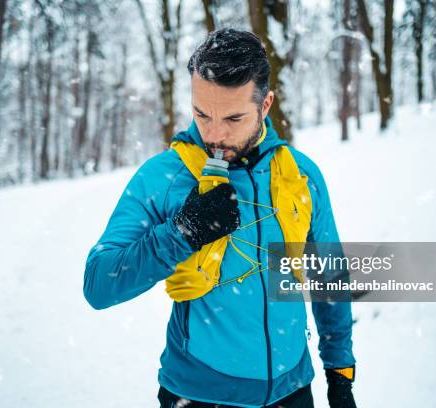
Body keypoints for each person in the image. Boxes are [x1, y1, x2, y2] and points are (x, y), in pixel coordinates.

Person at [83, 28, 356, 408]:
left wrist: (340, 376)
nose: (214, 134)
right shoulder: (165, 177)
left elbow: (330, 276)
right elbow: (99, 283)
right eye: (201, 114)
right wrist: (183, 232)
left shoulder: (301, 175)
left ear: (265, 105)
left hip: (293, 392)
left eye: (232, 118)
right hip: (198, 396)